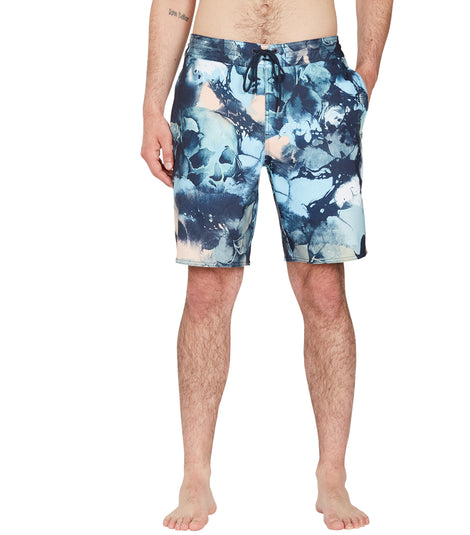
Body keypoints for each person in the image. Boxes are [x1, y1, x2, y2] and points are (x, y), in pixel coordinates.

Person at [141, 0, 392, 530]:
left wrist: (366, 73)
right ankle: (195, 477)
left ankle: (332, 476)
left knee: (324, 288)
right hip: (214, 80)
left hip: (316, 77)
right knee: (207, 290)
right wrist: (151, 106)